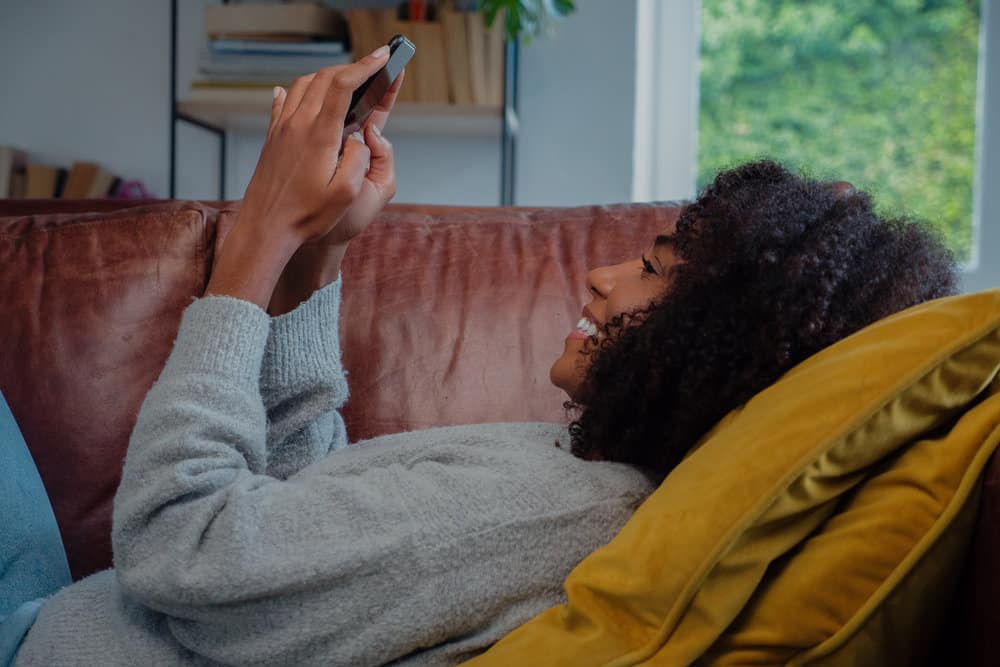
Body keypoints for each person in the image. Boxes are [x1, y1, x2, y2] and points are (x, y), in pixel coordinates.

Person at [8, 46, 956, 666]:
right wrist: (321, 250)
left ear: (724, 350)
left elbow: (185, 547)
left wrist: (253, 239)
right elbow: (296, 516)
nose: (600, 275)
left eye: (654, 271)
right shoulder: (585, 474)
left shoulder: (545, 517)